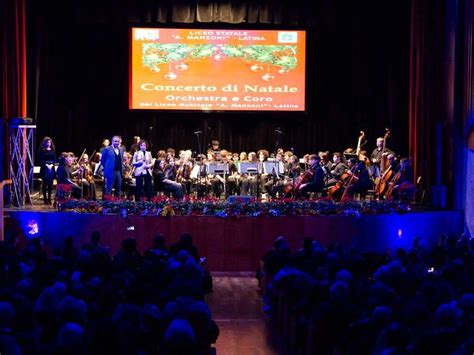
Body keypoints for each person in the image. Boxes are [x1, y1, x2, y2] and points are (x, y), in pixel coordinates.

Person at [37, 136, 56, 204]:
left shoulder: (52, 150)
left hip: (51, 168)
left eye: (50, 142)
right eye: (47, 142)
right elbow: (40, 160)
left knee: (50, 184)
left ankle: (49, 199)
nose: (49, 143)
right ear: (45, 143)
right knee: (45, 184)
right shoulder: (41, 150)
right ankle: (45, 199)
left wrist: (52, 165)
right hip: (45, 168)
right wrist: (46, 165)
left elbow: (54, 159)